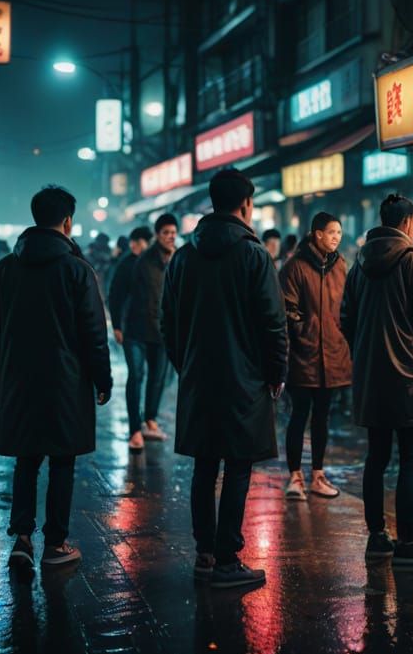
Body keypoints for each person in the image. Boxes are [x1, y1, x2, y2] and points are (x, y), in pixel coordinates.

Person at [161, 169, 288, 589]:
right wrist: (275, 373)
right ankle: (229, 558)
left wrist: (187, 364)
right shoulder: (254, 256)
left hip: (199, 377)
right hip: (244, 380)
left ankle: (205, 552)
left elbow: (168, 323)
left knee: (204, 464)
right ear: (246, 205)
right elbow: (273, 323)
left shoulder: (183, 256)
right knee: (237, 466)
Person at [0, 186, 113, 569]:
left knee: (26, 459)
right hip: (66, 383)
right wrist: (102, 379)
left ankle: (21, 538)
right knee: (61, 461)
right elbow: (93, 333)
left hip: (17, 381)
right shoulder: (77, 270)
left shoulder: (5, 268)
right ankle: (55, 544)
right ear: (67, 221)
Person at [341, 194, 413, 570]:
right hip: (410, 379)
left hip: (372, 377)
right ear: (409, 223)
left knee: (377, 458)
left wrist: (365, 353)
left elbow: (346, 318)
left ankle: (377, 537)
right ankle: (407, 542)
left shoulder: (359, 265)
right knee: (411, 461)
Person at [279, 212, 352, 501]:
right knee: (299, 416)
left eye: (339, 232)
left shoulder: (341, 266)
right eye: (332, 232)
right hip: (303, 354)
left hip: (332, 355)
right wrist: (304, 332)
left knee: (323, 417)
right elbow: (287, 308)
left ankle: (318, 475)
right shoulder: (294, 267)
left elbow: (347, 306)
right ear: (317, 234)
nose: (336, 237)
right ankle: (294, 476)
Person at [122, 214, 177, 451]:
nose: (170, 237)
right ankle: (135, 429)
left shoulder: (177, 260)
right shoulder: (143, 262)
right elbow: (125, 295)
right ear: (157, 235)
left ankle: (150, 420)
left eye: (173, 233)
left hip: (161, 331)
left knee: (158, 379)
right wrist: (118, 325)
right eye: (166, 233)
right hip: (137, 330)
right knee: (136, 377)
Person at [108, 226, 152, 335]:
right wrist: (117, 325)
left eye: (138, 242)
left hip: (156, 327)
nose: (133, 245)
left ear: (147, 242)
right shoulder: (125, 264)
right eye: (132, 241)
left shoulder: (160, 261)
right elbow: (115, 294)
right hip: (131, 325)